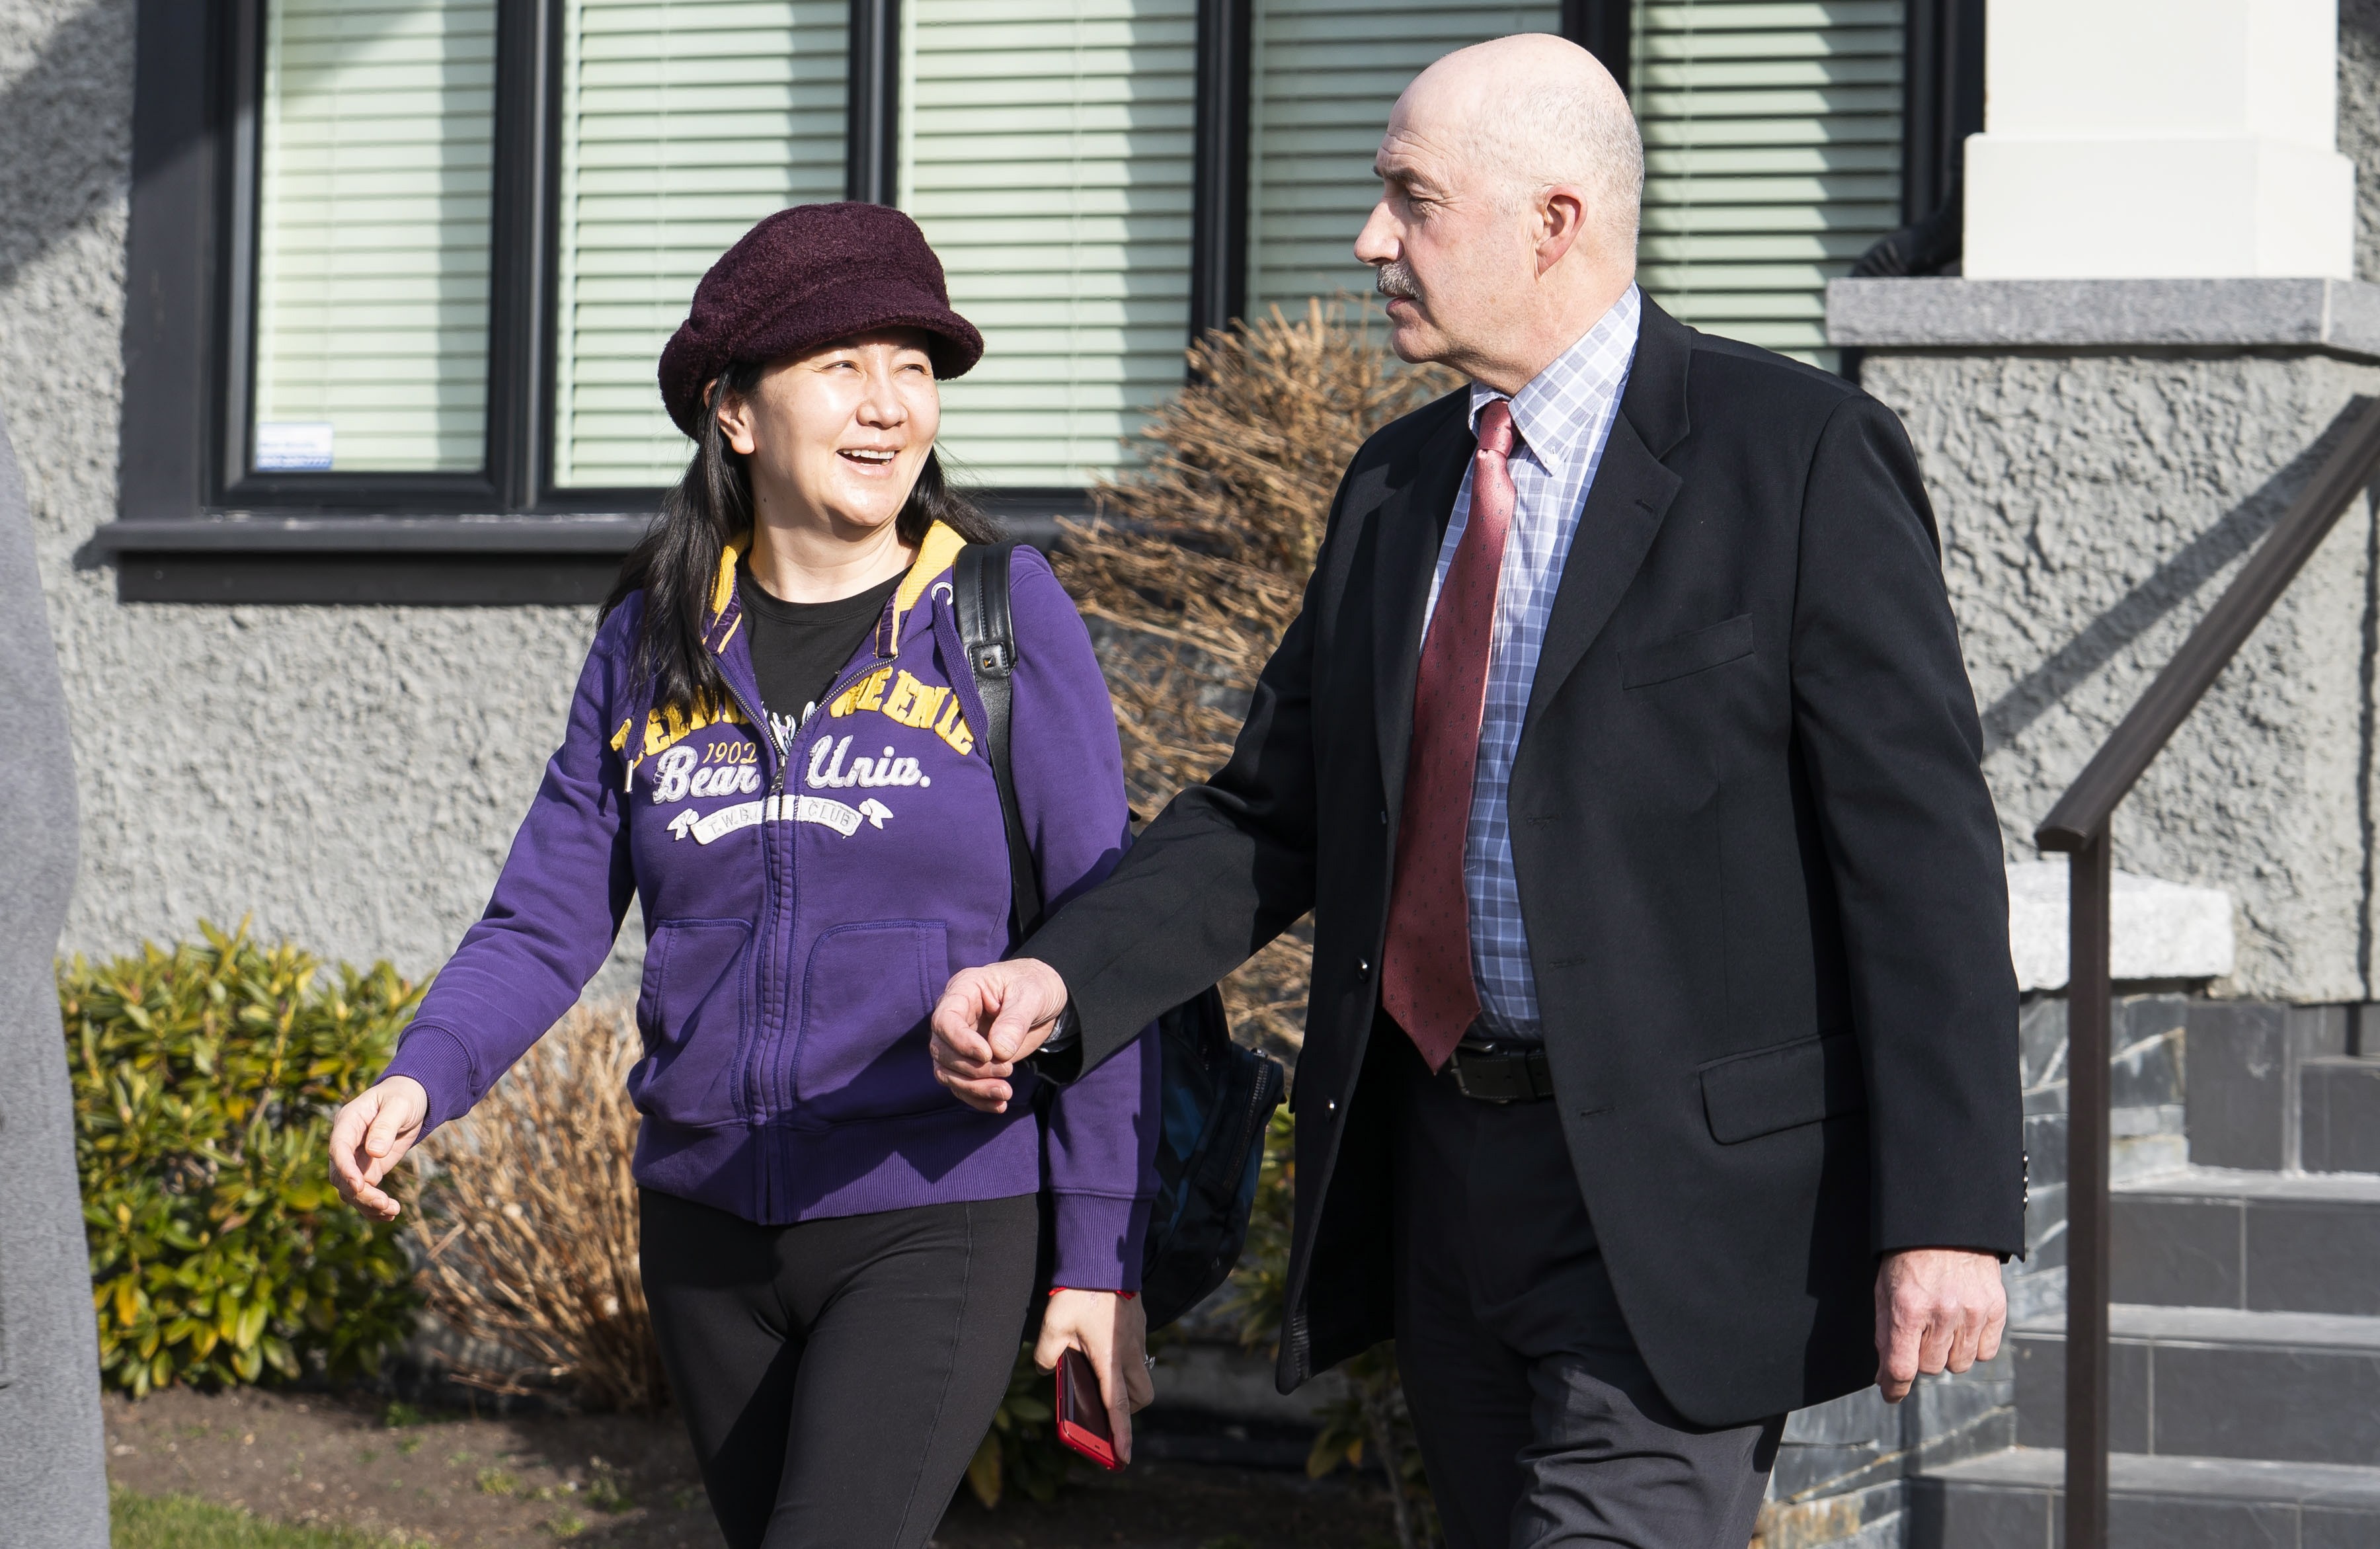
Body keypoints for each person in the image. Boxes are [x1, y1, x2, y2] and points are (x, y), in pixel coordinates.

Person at [928, 34, 2023, 1549]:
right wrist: (1063, 969)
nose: (1371, 238)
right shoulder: (1393, 488)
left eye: (1409, 199)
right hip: (1443, 1180)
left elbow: (1922, 865)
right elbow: (1271, 814)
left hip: (1671, 1204)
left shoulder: (1800, 459)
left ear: (1553, 221)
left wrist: (1947, 1206)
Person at [328, 203, 1158, 1549]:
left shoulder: (1000, 618)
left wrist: (1097, 1254)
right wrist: (425, 1072)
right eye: (843, 365)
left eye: (914, 366)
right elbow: (546, 915)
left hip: (933, 1203)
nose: (889, 405)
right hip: (705, 1223)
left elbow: (1105, 933)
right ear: (735, 410)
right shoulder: (652, 645)